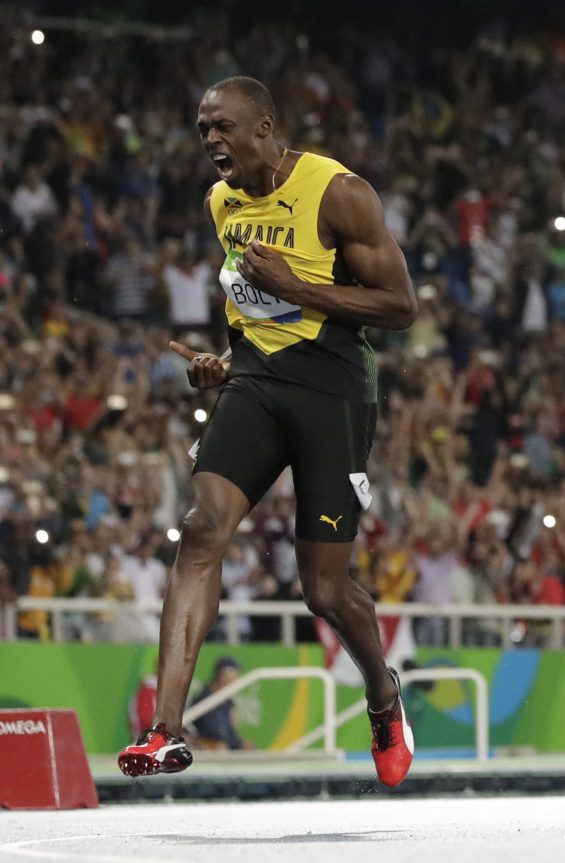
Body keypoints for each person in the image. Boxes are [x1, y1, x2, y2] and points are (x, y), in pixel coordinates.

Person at [118, 77, 418, 786]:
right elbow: (247, 299)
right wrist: (225, 361)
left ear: (265, 128)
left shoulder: (337, 191)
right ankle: (166, 728)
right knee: (200, 528)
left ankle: (381, 694)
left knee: (324, 588)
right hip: (255, 383)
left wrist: (300, 288)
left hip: (333, 392)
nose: (212, 141)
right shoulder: (222, 203)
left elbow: (399, 305)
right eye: (202, 130)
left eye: (223, 126)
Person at [188, 656, 250, 751]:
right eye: (232, 681)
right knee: (220, 747)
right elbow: (212, 733)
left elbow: (230, 733)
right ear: (222, 677)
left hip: (223, 744)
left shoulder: (226, 701)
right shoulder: (207, 700)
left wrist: (239, 743)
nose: (235, 683)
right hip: (206, 747)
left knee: (248, 747)